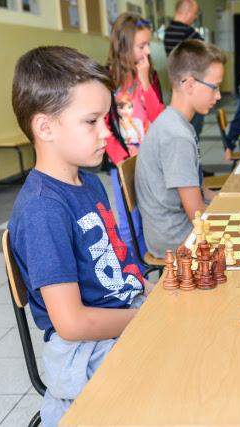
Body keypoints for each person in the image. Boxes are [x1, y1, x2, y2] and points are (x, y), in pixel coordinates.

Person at [8, 46, 152, 427]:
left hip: (120, 315)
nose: (106, 132)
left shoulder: (89, 183)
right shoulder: (43, 209)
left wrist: (155, 295)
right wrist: (146, 318)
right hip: (84, 350)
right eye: (92, 121)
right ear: (45, 128)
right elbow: (71, 323)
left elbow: (120, 269)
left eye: (106, 119)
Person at [135, 40, 226, 258]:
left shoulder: (175, 122)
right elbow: (197, 215)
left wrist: (226, 202)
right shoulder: (177, 135)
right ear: (190, 85)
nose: (219, 95)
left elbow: (200, 191)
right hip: (177, 239)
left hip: (177, 228)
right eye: (215, 87)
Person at [105, 12, 164, 258]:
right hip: (122, 161)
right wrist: (123, 161)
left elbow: (159, 119)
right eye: (141, 46)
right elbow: (104, 126)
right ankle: (134, 273)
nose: (147, 51)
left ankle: (153, 267)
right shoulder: (106, 79)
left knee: (152, 218)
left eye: (148, 45)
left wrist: (145, 83)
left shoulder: (151, 75)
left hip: (151, 160)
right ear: (123, 46)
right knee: (130, 225)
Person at [163, 0, 206, 138]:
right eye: (194, 13)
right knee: (194, 130)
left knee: (181, 126)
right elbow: (206, 53)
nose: (195, 17)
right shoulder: (188, 32)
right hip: (192, 86)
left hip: (177, 84)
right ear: (187, 12)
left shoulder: (168, 32)